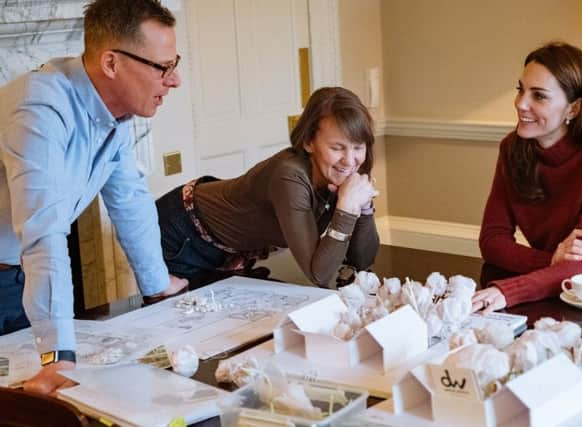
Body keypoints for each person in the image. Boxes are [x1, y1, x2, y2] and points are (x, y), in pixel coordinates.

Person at [0, 0, 189, 395]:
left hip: (19, 277)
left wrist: (157, 285)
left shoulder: (113, 116)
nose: (175, 80)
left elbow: (130, 200)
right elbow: (45, 230)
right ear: (111, 63)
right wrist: (59, 357)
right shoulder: (40, 106)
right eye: (162, 67)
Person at [472, 42, 582, 314]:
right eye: (520, 90)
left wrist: (508, 291)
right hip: (541, 296)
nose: (520, 104)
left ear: (573, 109)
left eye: (538, 96)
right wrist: (552, 259)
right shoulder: (512, 148)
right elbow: (491, 241)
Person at [156, 87, 380, 288]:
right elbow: (319, 274)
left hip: (231, 250)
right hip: (181, 231)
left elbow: (361, 261)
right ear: (308, 142)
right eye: (337, 148)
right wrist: (347, 208)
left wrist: (364, 206)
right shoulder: (289, 176)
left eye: (358, 147)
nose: (350, 161)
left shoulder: (346, 173)